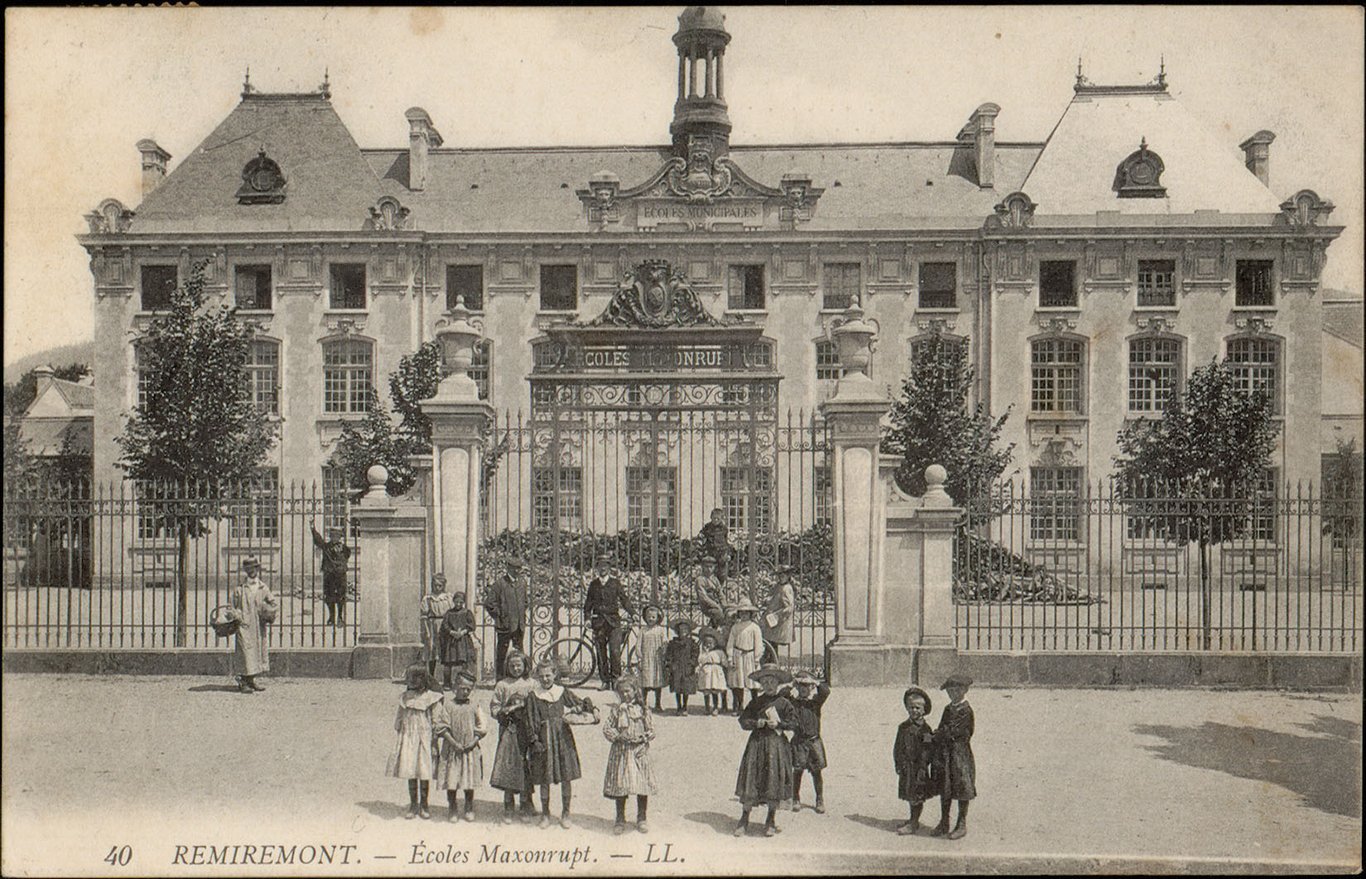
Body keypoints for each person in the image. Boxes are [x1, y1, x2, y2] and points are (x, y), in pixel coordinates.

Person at [524, 658, 597, 829]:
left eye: (548, 675)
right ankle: (545, 814)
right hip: (543, 739)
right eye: (541, 676)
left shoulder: (561, 691)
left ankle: (566, 813)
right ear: (537, 677)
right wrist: (534, 740)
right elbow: (530, 720)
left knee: (566, 776)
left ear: (555, 674)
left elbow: (579, 703)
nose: (545, 679)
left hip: (562, 737)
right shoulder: (534, 696)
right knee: (544, 778)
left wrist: (583, 708)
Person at [733, 664, 798, 838]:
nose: (769, 685)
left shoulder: (784, 703)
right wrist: (756, 723)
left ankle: (770, 819)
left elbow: (794, 723)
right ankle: (744, 818)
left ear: (778, 684)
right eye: (765, 681)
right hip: (757, 745)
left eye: (773, 681)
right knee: (751, 779)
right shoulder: (756, 702)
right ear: (761, 684)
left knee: (773, 781)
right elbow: (743, 720)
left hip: (776, 746)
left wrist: (779, 724)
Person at [602, 675, 658, 834]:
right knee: (621, 785)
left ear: (635, 691)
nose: (625, 695)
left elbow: (652, 730)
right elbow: (607, 728)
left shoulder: (643, 709)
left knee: (642, 785)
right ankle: (620, 818)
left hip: (639, 752)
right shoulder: (616, 710)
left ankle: (642, 817)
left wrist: (643, 738)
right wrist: (618, 736)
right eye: (621, 692)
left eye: (627, 691)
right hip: (621, 752)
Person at [387, 664, 443, 819]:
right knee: (410, 769)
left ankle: (424, 804)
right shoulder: (405, 698)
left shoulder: (432, 698)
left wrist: (434, 741)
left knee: (424, 770)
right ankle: (413, 804)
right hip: (409, 738)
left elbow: (437, 721)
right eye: (409, 678)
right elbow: (399, 718)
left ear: (423, 679)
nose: (411, 681)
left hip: (425, 738)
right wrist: (400, 731)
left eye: (415, 678)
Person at [433, 671, 489, 823]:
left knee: (468, 779)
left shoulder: (474, 705)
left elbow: (482, 725)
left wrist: (474, 741)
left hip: (469, 750)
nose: (465, 692)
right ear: (454, 687)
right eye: (462, 688)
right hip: (452, 749)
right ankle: (452, 806)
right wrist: (453, 742)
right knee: (451, 778)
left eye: (468, 689)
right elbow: (442, 727)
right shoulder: (448, 706)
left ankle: (469, 806)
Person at [488, 650, 537, 824]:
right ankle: (508, 805)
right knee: (509, 765)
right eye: (512, 665)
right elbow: (494, 706)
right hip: (509, 730)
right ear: (507, 666)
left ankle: (526, 803)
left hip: (527, 730)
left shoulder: (531, 684)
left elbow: (537, 705)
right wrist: (502, 712)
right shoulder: (503, 685)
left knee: (527, 764)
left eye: (519, 665)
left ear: (525, 666)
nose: (516, 668)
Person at [931, 673, 977, 840]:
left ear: (964, 690)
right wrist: (936, 735)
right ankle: (944, 821)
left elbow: (960, 732)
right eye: (950, 690)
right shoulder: (948, 709)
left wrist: (940, 735)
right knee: (946, 786)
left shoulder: (965, 711)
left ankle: (961, 823)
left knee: (962, 787)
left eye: (956, 689)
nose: (952, 693)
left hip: (959, 754)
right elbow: (942, 727)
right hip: (946, 754)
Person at [583, 557, 635, 691]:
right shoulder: (593, 584)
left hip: (613, 622)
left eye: (605, 565)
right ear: (597, 568)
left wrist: (632, 613)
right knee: (601, 653)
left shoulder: (615, 583)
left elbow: (624, 599)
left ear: (609, 568)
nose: (603, 568)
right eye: (600, 565)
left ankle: (616, 680)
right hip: (599, 623)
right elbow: (588, 604)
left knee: (615, 651)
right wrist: (587, 619)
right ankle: (605, 681)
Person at [784, 670, 830, 813]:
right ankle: (796, 798)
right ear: (797, 688)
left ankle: (819, 799)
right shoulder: (793, 703)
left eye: (807, 687)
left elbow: (825, 691)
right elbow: (782, 695)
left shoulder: (815, 703)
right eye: (801, 686)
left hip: (814, 741)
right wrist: (792, 683)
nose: (804, 689)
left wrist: (815, 682)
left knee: (817, 772)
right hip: (799, 742)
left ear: (811, 689)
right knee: (797, 771)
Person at [231, 556, 278, 694]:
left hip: (258, 624)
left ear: (258, 569)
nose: (252, 571)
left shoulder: (263, 587)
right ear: (245, 570)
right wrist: (237, 615)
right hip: (244, 624)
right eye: (248, 569)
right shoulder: (239, 589)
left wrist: (268, 611)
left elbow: (273, 603)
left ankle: (251, 680)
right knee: (245, 652)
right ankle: (242, 681)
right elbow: (232, 606)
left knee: (256, 652)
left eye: (254, 568)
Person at [893, 686, 937, 835]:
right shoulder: (903, 727)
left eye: (918, 708)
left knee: (917, 796)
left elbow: (928, 751)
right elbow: (897, 747)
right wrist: (898, 764)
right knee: (909, 794)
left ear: (924, 710)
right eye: (911, 707)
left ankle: (914, 823)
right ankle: (912, 819)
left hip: (919, 769)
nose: (914, 710)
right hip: (906, 768)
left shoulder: (926, 730)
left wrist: (923, 767)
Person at [484, 560, 527, 680]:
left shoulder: (522, 583)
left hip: (519, 625)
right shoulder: (499, 584)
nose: (517, 571)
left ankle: (520, 679)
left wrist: (522, 615)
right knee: (502, 654)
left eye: (519, 568)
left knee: (519, 653)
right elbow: (489, 603)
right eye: (514, 568)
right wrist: (501, 615)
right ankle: (500, 680)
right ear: (508, 568)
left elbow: (525, 601)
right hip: (505, 626)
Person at [725, 601, 765, 714]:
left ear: (751, 614)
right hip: (738, 655)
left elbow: (758, 644)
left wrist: (757, 657)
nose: (744, 615)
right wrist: (730, 657)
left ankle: (754, 706)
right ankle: (739, 705)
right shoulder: (735, 627)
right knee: (738, 682)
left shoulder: (754, 627)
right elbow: (730, 643)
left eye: (746, 613)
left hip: (750, 656)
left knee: (752, 683)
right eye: (742, 613)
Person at [310, 523, 351, 628]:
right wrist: (313, 528)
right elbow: (318, 540)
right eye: (332, 535)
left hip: (340, 575)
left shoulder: (345, 549)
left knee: (341, 597)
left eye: (336, 536)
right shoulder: (326, 547)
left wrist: (339, 565)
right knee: (329, 597)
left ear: (340, 537)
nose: (334, 538)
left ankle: (340, 617)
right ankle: (331, 617)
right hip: (329, 576)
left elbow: (345, 559)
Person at [437, 592, 477, 687]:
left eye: (461, 602)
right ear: (453, 601)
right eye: (456, 602)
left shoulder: (467, 612)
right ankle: (447, 683)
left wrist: (462, 632)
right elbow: (444, 625)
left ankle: (464, 682)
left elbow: (472, 625)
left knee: (464, 661)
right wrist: (452, 632)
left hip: (463, 641)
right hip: (451, 641)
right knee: (448, 662)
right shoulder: (449, 613)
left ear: (463, 602)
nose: (458, 604)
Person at [420, 573, 454, 677]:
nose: (437, 587)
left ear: (443, 585)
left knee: (446, 651)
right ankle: (431, 677)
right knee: (432, 651)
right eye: (435, 585)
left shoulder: (448, 598)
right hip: (433, 625)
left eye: (440, 585)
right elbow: (424, 617)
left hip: (445, 625)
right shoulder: (428, 598)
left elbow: (452, 613)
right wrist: (427, 631)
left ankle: (447, 679)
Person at [760, 566, 796, 664]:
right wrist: (768, 600)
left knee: (771, 643)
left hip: (777, 622)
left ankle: (772, 664)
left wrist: (776, 615)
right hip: (771, 620)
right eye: (779, 575)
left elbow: (789, 607)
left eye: (783, 575)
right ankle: (769, 663)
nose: (780, 577)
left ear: (788, 576)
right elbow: (775, 598)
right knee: (769, 642)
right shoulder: (779, 586)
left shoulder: (786, 588)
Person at [663, 618, 699, 715]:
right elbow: (669, 654)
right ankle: (679, 706)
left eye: (685, 630)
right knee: (677, 687)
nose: (682, 632)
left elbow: (695, 654)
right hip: (677, 667)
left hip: (687, 667)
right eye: (680, 630)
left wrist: (692, 663)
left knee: (686, 688)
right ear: (677, 631)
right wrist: (670, 664)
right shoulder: (673, 643)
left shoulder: (692, 643)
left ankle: (685, 706)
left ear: (688, 631)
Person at [637, 604, 669, 711]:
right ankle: (644, 702)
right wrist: (639, 654)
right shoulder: (643, 630)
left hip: (657, 658)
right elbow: (638, 643)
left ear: (658, 618)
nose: (651, 619)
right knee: (645, 681)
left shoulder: (660, 630)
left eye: (653, 617)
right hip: (646, 658)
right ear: (645, 617)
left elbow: (665, 642)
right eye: (649, 617)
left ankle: (658, 703)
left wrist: (664, 650)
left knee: (657, 680)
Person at [695, 627, 729, 716]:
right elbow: (700, 661)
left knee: (715, 690)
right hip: (706, 672)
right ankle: (707, 707)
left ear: (715, 643)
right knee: (706, 690)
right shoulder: (703, 653)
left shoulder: (719, 652)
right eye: (707, 643)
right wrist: (705, 654)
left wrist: (726, 666)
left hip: (716, 672)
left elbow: (724, 662)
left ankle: (715, 707)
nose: (709, 645)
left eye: (711, 643)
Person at [699, 508, 730, 580]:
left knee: (722, 573)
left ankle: (720, 588)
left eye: (718, 519)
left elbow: (727, 541)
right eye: (714, 518)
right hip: (710, 552)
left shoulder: (724, 528)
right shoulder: (707, 527)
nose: (715, 520)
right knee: (709, 572)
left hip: (721, 553)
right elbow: (701, 537)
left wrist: (727, 553)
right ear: (711, 518)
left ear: (721, 519)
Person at [693, 556, 725, 625]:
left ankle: (714, 628)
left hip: (716, 603)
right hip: (707, 606)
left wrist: (725, 604)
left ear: (714, 567)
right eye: (706, 567)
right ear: (702, 567)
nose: (709, 569)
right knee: (719, 614)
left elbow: (720, 593)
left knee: (730, 611)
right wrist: (716, 605)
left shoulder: (714, 579)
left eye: (711, 567)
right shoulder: (700, 579)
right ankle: (719, 628)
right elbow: (704, 597)